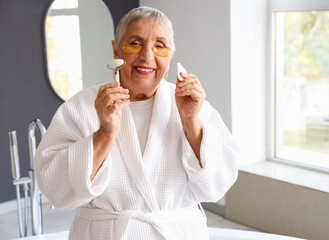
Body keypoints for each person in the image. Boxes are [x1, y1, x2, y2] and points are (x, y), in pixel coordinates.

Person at [35, 6, 239, 240]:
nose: (147, 56)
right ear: (115, 48)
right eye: (135, 43)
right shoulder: (81, 107)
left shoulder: (193, 106)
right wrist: (104, 133)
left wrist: (191, 122)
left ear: (171, 54)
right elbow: (55, 188)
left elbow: (217, 185)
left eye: (160, 46)